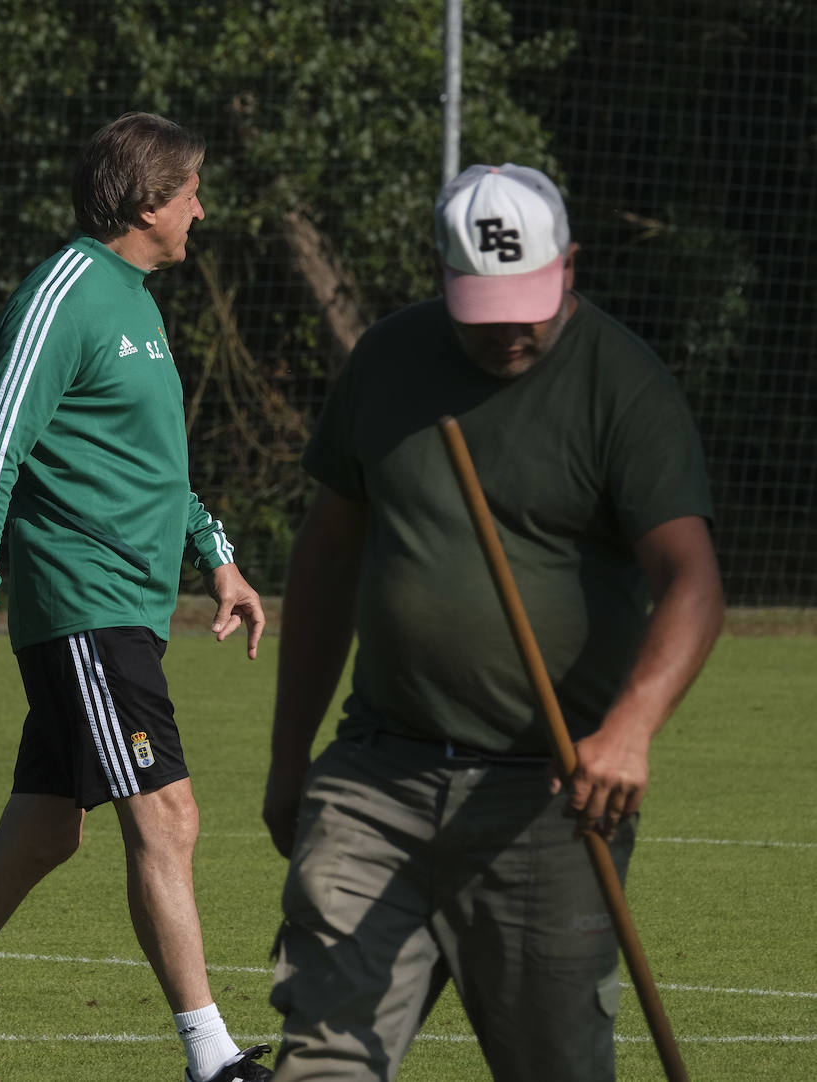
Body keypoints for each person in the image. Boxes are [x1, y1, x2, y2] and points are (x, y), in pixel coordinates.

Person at [262, 163, 725, 1081]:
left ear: (571, 265)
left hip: (547, 803)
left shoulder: (621, 384)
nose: (511, 326)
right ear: (440, 274)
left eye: (530, 298)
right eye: (484, 303)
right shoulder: (389, 363)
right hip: (376, 779)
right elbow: (325, 562)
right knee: (321, 1064)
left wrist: (629, 730)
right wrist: (290, 760)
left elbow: (694, 584)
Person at [0, 112, 272, 1082]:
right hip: (81, 606)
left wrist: (220, 557)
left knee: (46, 825)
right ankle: (213, 1058)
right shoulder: (65, 294)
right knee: (167, 815)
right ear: (146, 202)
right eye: (191, 192)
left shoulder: (138, 299)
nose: (201, 210)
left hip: (126, 607)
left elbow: (153, 470)